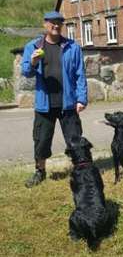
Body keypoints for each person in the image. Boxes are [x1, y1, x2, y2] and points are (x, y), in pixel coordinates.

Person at [22, 11, 88, 187]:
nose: (56, 25)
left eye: (59, 22)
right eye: (52, 22)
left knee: (75, 139)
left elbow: (80, 74)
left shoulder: (72, 47)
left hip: (68, 103)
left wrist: (81, 99)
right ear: (45, 24)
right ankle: (40, 172)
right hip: (45, 103)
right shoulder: (34, 46)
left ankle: (80, 171)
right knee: (41, 140)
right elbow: (26, 72)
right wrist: (33, 61)